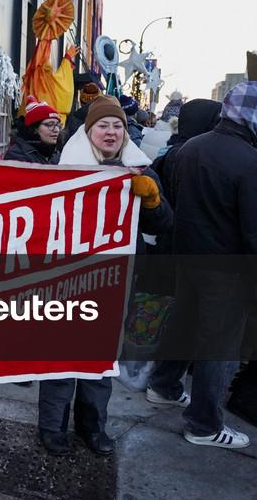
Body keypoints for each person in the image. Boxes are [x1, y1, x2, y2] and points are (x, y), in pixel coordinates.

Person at [38, 95, 172, 457]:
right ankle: (52, 428)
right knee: (60, 358)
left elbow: (163, 225)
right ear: (88, 131)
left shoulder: (142, 172)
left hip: (116, 283)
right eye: (103, 125)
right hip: (67, 281)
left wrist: (152, 201)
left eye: (117, 126)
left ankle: (92, 427)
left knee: (99, 362)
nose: (111, 132)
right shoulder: (64, 171)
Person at [145, 82, 257, 450]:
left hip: (187, 257)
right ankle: (205, 425)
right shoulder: (250, 161)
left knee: (183, 325)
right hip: (228, 270)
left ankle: (163, 386)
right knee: (219, 347)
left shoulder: (189, 148)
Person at [4, 96, 62, 164]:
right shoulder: (16, 155)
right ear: (34, 129)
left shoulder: (56, 154)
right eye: (50, 124)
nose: (56, 130)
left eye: (58, 125)